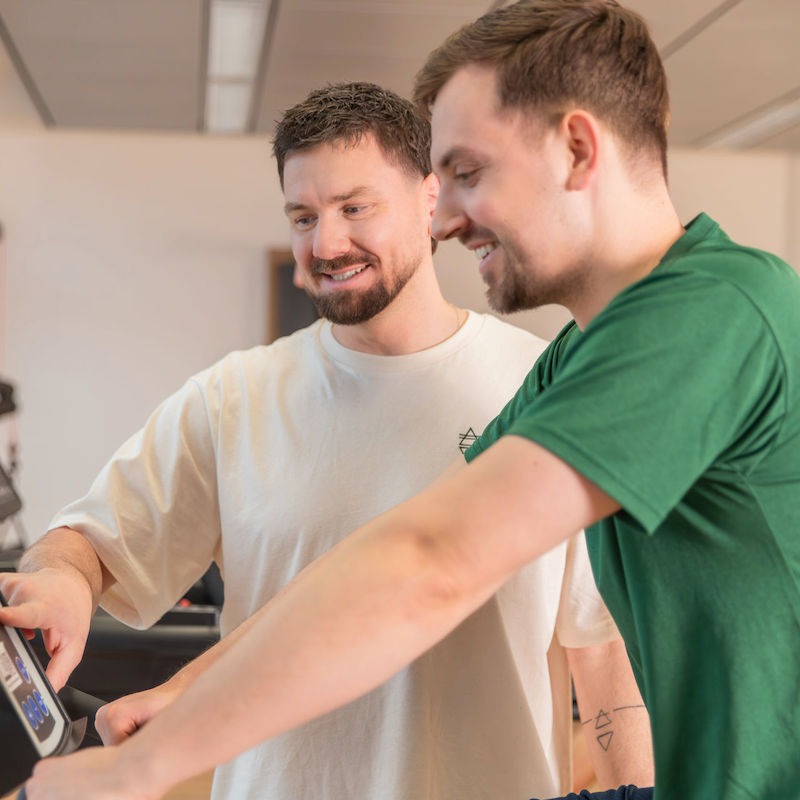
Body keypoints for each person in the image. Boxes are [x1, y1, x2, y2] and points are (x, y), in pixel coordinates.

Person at [0, 81, 653, 799]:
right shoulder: (233, 399)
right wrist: (64, 578)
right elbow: (88, 540)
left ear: (430, 197)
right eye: (303, 216)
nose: (326, 242)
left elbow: (605, 651)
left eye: (354, 208)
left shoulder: (538, 387)